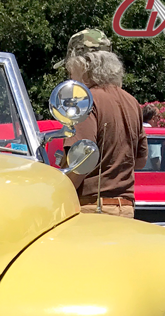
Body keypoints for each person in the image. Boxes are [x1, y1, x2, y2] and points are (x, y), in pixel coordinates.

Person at [61, 29, 147, 218]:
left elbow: (82, 159)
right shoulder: (131, 101)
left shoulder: (85, 101)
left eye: (70, 68)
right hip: (126, 208)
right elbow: (140, 161)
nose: (70, 75)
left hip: (92, 209)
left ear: (82, 65)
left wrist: (59, 194)